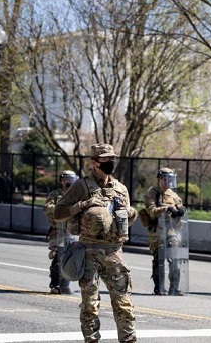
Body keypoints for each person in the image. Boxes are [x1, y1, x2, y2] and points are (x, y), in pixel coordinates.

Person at [54, 143, 137, 343]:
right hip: (89, 253)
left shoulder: (120, 188)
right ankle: (91, 339)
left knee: (124, 302)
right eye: (106, 160)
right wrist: (83, 204)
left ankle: (128, 339)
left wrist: (129, 212)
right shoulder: (82, 186)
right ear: (94, 163)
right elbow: (59, 213)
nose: (110, 163)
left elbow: (129, 218)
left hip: (114, 253)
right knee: (90, 304)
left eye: (113, 160)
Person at [144, 167, 187, 296]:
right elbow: (151, 211)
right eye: (166, 179)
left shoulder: (173, 195)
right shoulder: (152, 193)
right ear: (160, 179)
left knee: (175, 258)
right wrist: (167, 208)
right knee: (159, 260)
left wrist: (181, 210)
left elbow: (180, 207)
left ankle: (174, 287)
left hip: (172, 232)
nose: (168, 182)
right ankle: (159, 287)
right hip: (157, 233)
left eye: (171, 179)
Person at [43, 170, 79, 295]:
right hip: (58, 231)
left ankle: (66, 285)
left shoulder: (77, 194)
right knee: (58, 257)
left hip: (72, 232)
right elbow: (47, 208)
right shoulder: (55, 194)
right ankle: (55, 285)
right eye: (66, 180)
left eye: (71, 179)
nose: (68, 182)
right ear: (62, 181)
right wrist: (62, 209)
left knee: (71, 258)